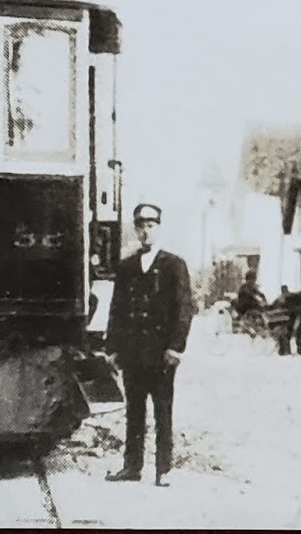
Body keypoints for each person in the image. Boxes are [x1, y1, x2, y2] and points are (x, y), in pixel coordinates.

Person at [105, 203, 194, 487]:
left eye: (151, 225)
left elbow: (184, 308)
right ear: (136, 228)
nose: (146, 231)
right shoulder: (127, 266)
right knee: (134, 410)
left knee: (162, 410)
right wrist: (112, 347)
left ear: (159, 227)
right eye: (141, 225)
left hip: (161, 352)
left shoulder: (174, 265)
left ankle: (164, 469)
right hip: (132, 352)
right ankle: (132, 467)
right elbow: (116, 309)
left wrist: (176, 347)